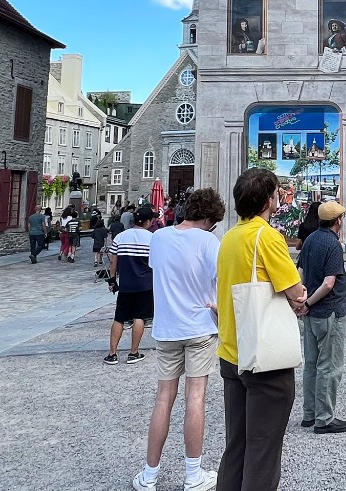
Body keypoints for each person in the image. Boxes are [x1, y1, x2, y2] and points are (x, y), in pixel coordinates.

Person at [215, 168, 309, 491]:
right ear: (269, 200)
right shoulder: (267, 236)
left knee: (236, 446)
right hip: (264, 357)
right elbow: (295, 290)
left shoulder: (229, 237)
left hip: (231, 352)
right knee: (263, 452)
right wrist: (300, 300)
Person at [131, 189, 225, 491]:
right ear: (209, 219)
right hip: (198, 326)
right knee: (195, 398)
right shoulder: (209, 241)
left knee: (163, 398)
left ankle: (149, 475)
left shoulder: (159, 237)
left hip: (167, 327)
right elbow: (220, 281)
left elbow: (159, 271)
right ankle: (193, 474)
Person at [296, 201, 346, 434]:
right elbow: (329, 283)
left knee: (311, 365)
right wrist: (309, 302)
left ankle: (309, 414)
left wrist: (302, 301)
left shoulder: (310, 239)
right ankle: (324, 418)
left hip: (311, 315)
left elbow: (299, 272)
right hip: (329, 312)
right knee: (329, 366)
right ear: (337, 221)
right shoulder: (333, 244)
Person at [104, 207, 156, 365]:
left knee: (119, 318)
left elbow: (113, 260)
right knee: (139, 317)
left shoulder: (121, 236)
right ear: (147, 222)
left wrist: (112, 280)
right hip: (145, 284)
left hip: (126, 285)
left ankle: (112, 354)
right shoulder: (152, 238)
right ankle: (133, 352)